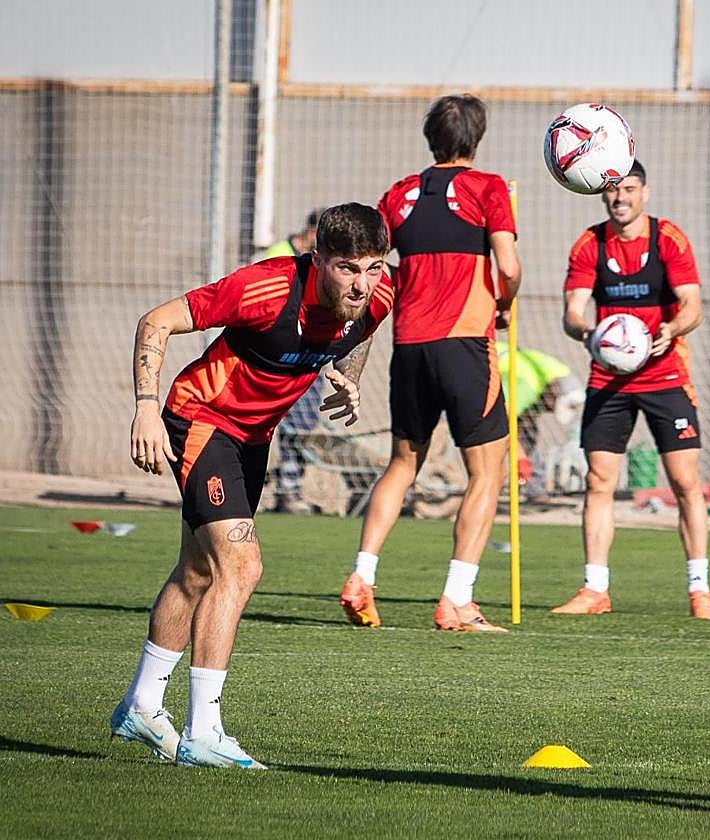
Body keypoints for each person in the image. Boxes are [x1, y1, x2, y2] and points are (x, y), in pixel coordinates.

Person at [110, 203, 393, 768]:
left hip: (254, 439)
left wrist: (348, 378)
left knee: (197, 571)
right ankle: (203, 733)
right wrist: (143, 408)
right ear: (318, 260)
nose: (362, 284)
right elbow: (155, 321)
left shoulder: (378, 294)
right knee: (241, 566)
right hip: (202, 421)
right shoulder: (263, 289)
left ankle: (141, 705)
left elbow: (358, 331)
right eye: (346, 269)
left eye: (373, 267)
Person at [339, 94, 520, 632]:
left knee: (402, 465)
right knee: (487, 473)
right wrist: (505, 303)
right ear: (477, 138)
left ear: (430, 136)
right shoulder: (489, 188)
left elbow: (373, 270)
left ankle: (362, 576)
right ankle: (456, 600)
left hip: (410, 347)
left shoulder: (397, 195)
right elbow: (507, 266)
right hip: (465, 344)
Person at [549, 160, 710, 621]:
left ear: (645, 192)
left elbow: (693, 307)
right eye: (612, 190)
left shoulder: (669, 239)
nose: (620, 197)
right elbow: (573, 312)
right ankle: (594, 589)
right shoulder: (590, 244)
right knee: (598, 481)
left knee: (685, 483)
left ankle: (699, 589)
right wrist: (587, 333)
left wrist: (671, 327)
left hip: (666, 376)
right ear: (602, 196)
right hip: (609, 379)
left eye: (629, 188)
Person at [262, 208, 325, 514]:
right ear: (312, 233)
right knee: (276, 426)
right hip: (279, 357)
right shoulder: (278, 254)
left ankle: (291, 490)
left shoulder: (322, 263)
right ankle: (278, 489)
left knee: (302, 428)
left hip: (310, 355)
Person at [497, 344, 585, 500]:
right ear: (554, 394)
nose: (550, 411)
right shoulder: (526, 385)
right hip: (466, 370)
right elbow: (502, 420)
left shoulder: (556, 373)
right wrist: (520, 457)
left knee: (527, 428)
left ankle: (535, 487)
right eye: (553, 407)